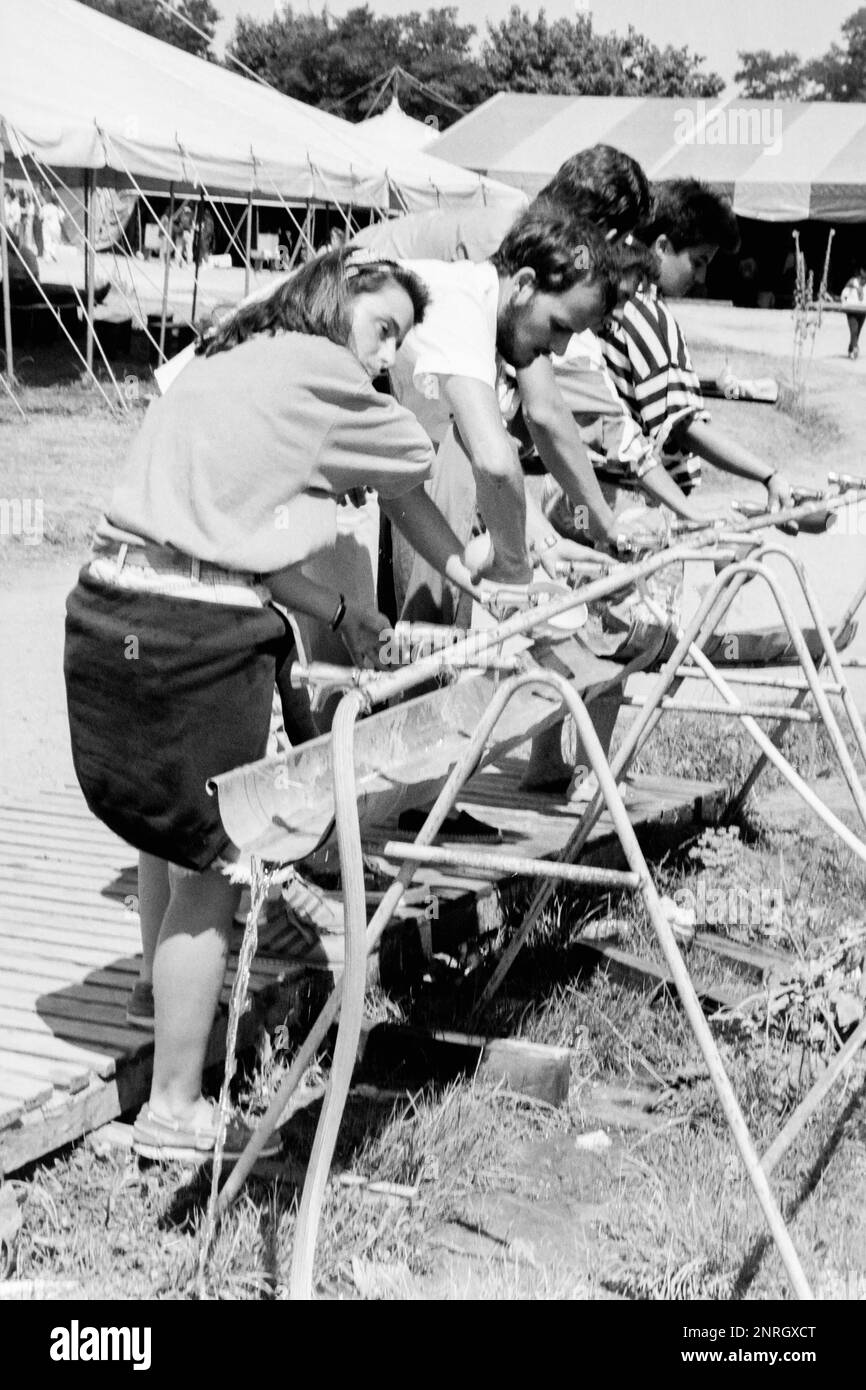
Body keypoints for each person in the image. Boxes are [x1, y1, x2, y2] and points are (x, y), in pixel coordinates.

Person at [64, 249, 487, 1163]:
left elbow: (235, 539)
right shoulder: (325, 371)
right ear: (334, 310)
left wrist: (344, 611)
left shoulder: (227, 354)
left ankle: (157, 998)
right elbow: (416, 460)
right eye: (382, 330)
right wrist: (428, 380)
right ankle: (176, 1110)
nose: (385, 356)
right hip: (192, 633)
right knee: (213, 868)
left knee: (164, 834)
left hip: (107, 606)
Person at [598, 179, 794, 520]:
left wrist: (700, 383)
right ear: (661, 246)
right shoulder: (649, 315)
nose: (701, 277)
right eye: (697, 261)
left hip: (592, 495)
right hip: (634, 501)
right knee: (732, 550)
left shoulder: (609, 301)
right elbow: (683, 426)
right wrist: (767, 474)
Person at [842, 267, 866, 360]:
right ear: (862, 271)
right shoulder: (853, 281)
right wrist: (849, 301)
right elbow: (844, 294)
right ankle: (855, 348)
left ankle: (851, 348)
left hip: (863, 311)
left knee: (857, 332)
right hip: (851, 310)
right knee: (854, 330)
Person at [39, 193, 63, 261]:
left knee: (47, 241)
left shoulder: (45, 207)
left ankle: (47, 256)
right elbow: (61, 219)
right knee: (55, 241)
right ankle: (52, 252)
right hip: (55, 226)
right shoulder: (58, 209)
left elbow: (40, 217)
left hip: (46, 226)